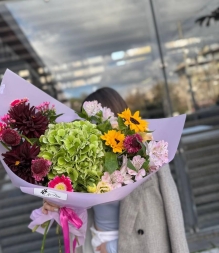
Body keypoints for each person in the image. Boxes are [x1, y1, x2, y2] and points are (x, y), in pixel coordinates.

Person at [42, 87, 189, 253]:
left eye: (100, 120)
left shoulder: (150, 158)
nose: (96, 128)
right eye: (88, 122)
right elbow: (76, 211)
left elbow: (171, 214)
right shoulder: (85, 162)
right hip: (94, 243)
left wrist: (112, 248)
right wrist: (56, 202)